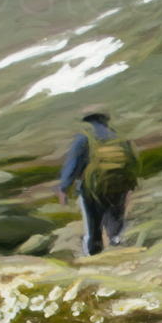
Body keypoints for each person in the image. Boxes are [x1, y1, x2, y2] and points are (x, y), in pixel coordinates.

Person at [57, 109, 138, 256]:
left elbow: (73, 164)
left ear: (90, 121)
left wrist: (64, 187)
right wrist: (130, 184)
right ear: (105, 120)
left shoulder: (85, 137)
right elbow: (132, 162)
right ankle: (117, 248)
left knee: (93, 225)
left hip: (92, 189)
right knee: (115, 219)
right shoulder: (119, 137)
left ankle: (94, 255)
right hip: (119, 187)